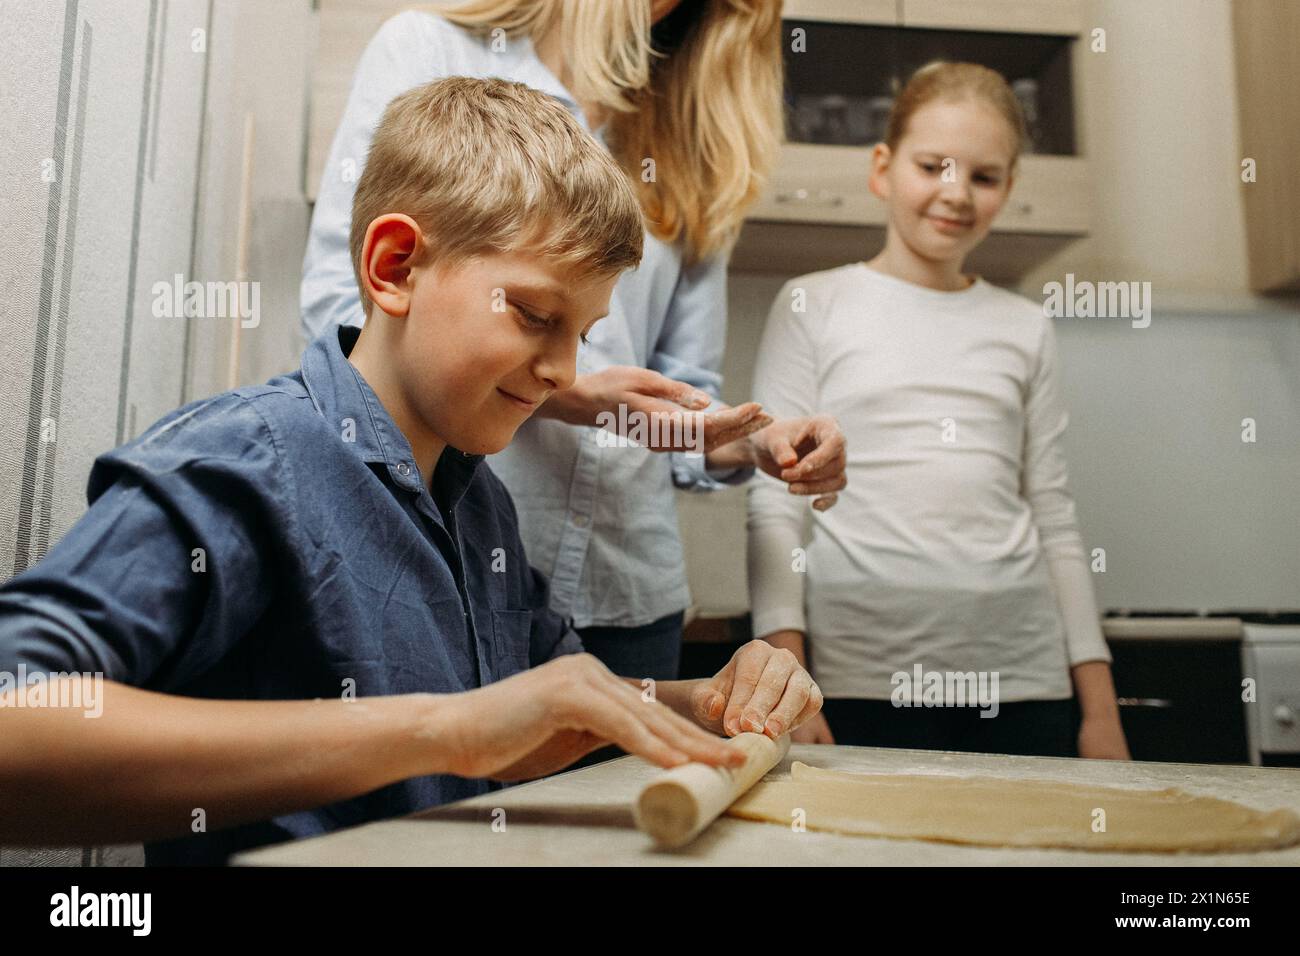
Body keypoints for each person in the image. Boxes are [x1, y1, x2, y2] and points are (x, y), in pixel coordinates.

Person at [0, 77, 823, 865]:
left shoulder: (479, 507)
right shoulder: (246, 461)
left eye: (583, 332)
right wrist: (445, 730)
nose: (566, 372)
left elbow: (551, 714)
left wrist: (708, 700)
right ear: (393, 267)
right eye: (536, 315)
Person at [302, 0, 846, 683]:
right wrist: (572, 394)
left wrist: (746, 437)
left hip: (626, 589)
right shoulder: (428, 53)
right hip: (445, 556)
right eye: (533, 316)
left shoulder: (692, 140)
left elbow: (682, 392)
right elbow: (341, 305)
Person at [746, 62, 1128, 760]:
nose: (957, 193)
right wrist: (787, 682)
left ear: (1008, 190)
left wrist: (1099, 710)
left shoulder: (1025, 325)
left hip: (1023, 680)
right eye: (933, 166)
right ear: (883, 169)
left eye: (984, 177)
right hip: (860, 679)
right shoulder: (813, 304)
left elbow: (1054, 514)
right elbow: (775, 505)